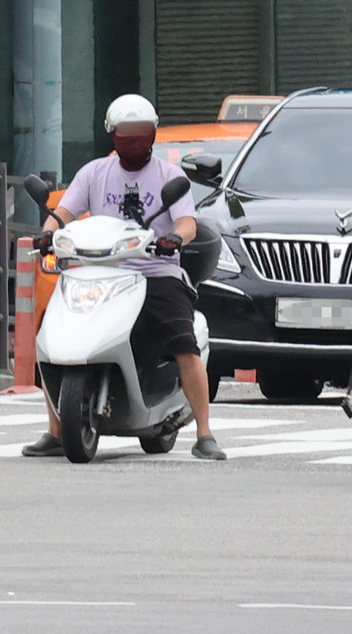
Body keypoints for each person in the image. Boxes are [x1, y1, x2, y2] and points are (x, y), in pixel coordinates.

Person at [23, 94, 225, 460]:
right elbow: (64, 212)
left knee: (183, 342)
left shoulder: (169, 176)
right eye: (125, 135)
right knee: (51, 335)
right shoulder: (94, 173)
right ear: (112, 136)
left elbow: (187, 222)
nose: (134, 142)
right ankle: (56, 431)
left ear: (152, 136)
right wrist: (48, 230)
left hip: (154, 270)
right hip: (99, 269)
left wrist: (175, 238)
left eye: (141, 135)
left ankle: (205, 433)